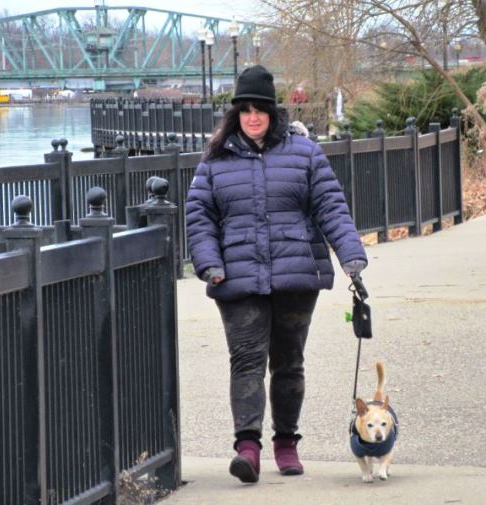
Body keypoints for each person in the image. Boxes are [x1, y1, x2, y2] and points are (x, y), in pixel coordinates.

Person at [186, 65, 368, 484]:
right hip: (236, 276)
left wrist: (351, 257)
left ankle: (286, 443)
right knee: (246, 361)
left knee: (288, 363)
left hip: (295, 272)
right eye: (245, 110)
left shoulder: (305, 153)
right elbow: (199, 217)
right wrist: (209, 264)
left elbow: (331, 207)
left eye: (260, 110)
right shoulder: (214, 160)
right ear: (236, 114)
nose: (253, 117)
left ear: (273, 112)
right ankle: (247, 448)